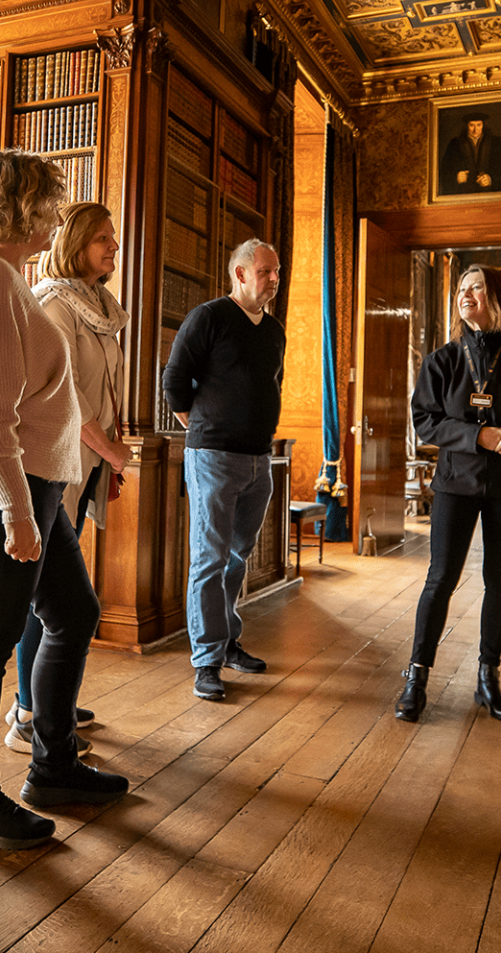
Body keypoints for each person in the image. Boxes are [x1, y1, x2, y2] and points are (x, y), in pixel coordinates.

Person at [0, 149, 128, 852]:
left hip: (31, 483)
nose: (57, 217)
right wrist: (16, 511)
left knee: (72, 612)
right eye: (49, 203)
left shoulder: (5, 276)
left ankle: (53, 764)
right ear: (24, 208)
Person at [396, 264, 501, 724]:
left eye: (475, 287)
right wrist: (480, 437)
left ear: (497, 298)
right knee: (441, 579)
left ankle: (487, 678)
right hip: (455, 483)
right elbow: (424, 421)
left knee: (499, 581)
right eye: (460, 288)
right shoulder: (443, 360)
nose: (465, 294)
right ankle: (416, 677)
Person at [0, 203, 131, 754]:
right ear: (74, 241)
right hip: (54, 460)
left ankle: (52, 698)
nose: (112, 247)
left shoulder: (102, 305)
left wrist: (107, 458)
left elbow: (105, 388)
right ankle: (30, 710)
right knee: (47, 596)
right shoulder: (55, 303)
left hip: (84, 464)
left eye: (115, 239)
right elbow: (66, 394)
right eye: (102, 238)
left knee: (60, 594)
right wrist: (111, 450)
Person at [162, 238, 285, 702]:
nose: (274, 279)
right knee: (209, 559)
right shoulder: (209, 317)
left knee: (237, 556)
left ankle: (228, 641)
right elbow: (174, 380)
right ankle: (207, 661)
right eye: (266, 271)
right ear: (239, 273)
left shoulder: (273, 331)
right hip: (213, 457)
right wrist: (200, 428)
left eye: (276, 272)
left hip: (259, 459)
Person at [440, 113, 501, 196]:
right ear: (466, 126)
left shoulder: (496, 142)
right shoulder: (455, 144)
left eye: (479, 125)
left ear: (483, 125)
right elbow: (444, 170)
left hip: (489, 195)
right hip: (464, 195)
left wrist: (491, 179)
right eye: (471, 125)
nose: (475, 130)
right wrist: (456, 177)